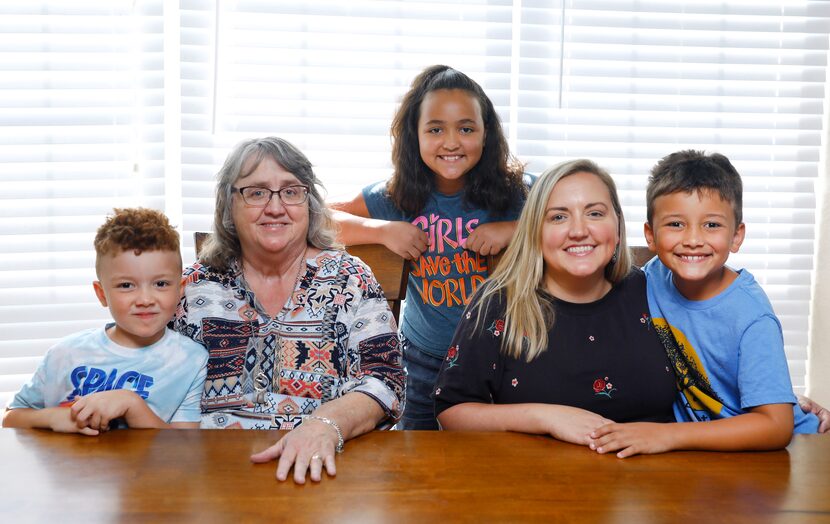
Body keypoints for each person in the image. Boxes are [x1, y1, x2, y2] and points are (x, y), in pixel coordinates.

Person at [174, 137, 404, 483]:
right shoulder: (191, 287)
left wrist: (324, 425)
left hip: (321, 468)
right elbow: (151, 372)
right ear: (228, 204)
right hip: (212, 473)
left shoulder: (349, 279)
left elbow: (385, 381)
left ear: (309, 202)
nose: (275, 207)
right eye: (256, 192)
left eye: (291, 191)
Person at [330, 65, 532, 429]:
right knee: (415, 461)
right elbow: (319, 217)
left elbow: (574, 219)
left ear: (486, 134)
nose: (451, 142)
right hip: (423, 358)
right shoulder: (395, 195)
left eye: (466, 129)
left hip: (503, 357)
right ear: (415, 135)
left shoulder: (517, 191)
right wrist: (382, 230)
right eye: (436, 129)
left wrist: (516, 229)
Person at [589, 150, 823, 458]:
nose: (693, 239)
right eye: (675, 224)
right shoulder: (652, 277)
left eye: (711, 225)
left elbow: (776, 426)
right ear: (650, 235)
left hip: (789, 453)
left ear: (736, 236)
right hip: (707, 456)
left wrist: (666, 435)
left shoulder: (751, 316)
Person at [433, 159, 678, 443]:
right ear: (536, 231)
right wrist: (544, 417)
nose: (578, 230)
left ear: (618, 225)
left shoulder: (651, 292)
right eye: (558, 217)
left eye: (595, 213)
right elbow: (451, 411)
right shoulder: (499, 302)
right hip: (536, 478)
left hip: (649, 480)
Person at [3, 208, 207, 434]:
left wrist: (132, 405)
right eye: (126, 285)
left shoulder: (191, 360)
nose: (145, 299)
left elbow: (185, 447)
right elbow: (11, 418)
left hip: (147, 470)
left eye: (160, 284)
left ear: (180, 290)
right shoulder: (65, 354)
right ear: (101, 294)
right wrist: (52, 417)